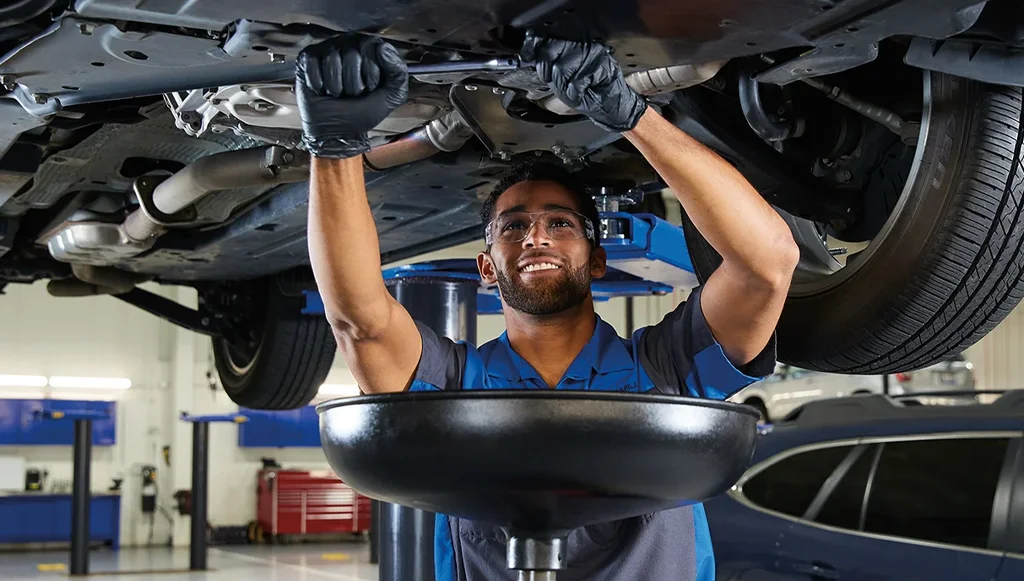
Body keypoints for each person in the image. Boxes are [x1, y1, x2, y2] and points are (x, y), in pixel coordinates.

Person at [297, 31, 799, 581]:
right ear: (487, 268)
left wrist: (633, 117)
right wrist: (335, 149)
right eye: (513, 228)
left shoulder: (666, 369)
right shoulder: (452, 386)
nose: (536, 237)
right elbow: (359, 321)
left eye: (560, 223)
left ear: (598, 259)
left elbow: (766, 264)